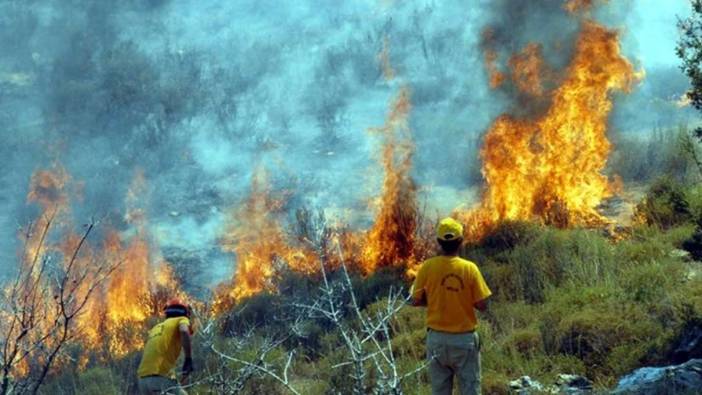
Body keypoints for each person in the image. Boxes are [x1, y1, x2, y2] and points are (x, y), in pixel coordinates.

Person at [411, 217, 492, 395]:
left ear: (439, 242)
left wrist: (434, 298)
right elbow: (483, 304)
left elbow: (414, 300)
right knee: (470, 390)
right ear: (461, 241)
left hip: (437, 341)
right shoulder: (470, 268)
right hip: (464, 341)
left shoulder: (427, 267)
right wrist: (461, 297)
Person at [137, 299, 194, 395]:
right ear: (185, 313)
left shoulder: (156, 328)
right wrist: (188, 359)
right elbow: (184, 331)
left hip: (142, 381)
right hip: (160, 378)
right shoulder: (181, 319)